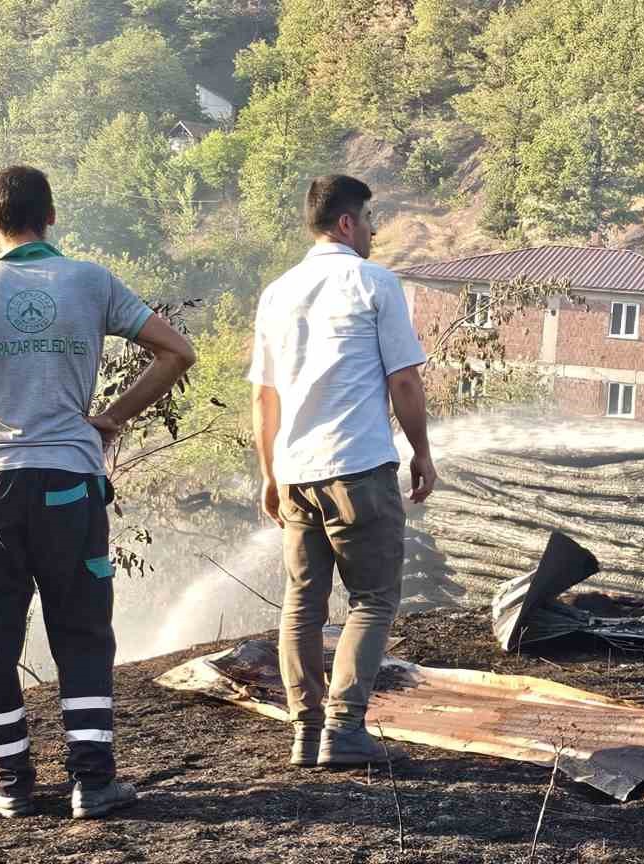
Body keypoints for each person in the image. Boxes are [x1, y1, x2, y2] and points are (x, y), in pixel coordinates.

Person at [0, 166, 196, 819]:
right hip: (70, 481)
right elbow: (176, 352)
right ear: (51, 219)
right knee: (80, 626)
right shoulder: (91, 281)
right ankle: (92, 781)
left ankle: (9, 784)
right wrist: (109, 418)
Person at [249, 174, 435, 769]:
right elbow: (403, 379)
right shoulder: (372, 282)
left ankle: (304, 732)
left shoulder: (277, 292)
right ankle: (344, 728)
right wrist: (422, 452)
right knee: (374, 598)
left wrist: (270, 473)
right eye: (371, 220)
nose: (375, 232)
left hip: (296, 471)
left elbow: (263, 398)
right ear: (348, 223)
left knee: (302, 602)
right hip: (358, 468)